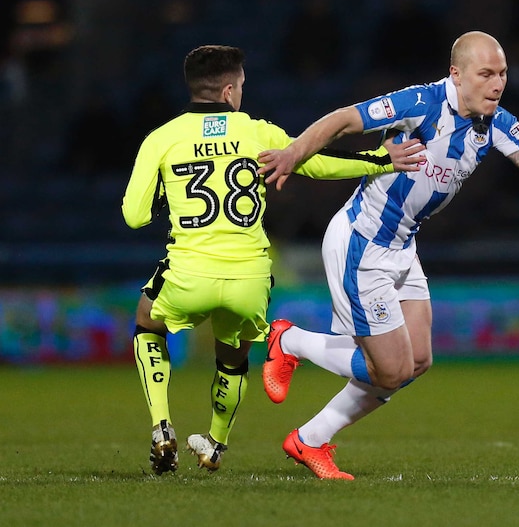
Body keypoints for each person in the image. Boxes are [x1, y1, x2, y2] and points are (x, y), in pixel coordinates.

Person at [257, 30, 519, 480]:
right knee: (389, 371)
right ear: (456, 74)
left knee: (417, 362)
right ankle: (289, 340)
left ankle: (309, 440)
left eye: (502, 74)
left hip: (404, 246)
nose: (497, 84)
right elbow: (342, 119)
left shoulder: (499, 123)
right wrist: (294, 152)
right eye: (486, 74)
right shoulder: (419, 104)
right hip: (362, 243)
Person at [121, 44, 424, 475]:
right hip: (249, 276)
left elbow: (134, 216)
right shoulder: (257, 132)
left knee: (147, 323)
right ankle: (215, 444)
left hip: (189, 271)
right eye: (241, 85)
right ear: (229, 91)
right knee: (233, 359)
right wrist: (379, 161)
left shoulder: (162, 138)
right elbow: (315, 164)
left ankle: (160, 425)